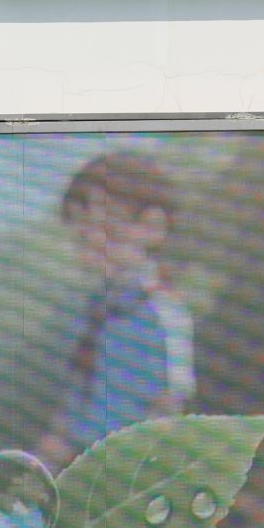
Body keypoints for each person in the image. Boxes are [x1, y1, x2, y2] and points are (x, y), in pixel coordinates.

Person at [53, 151, 195, 451]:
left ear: (152, 228)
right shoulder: (95, 306)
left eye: (107, 230)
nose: (92, 242)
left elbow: (169, 404)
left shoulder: (162, 315)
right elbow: (75, 397)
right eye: (82, 232)